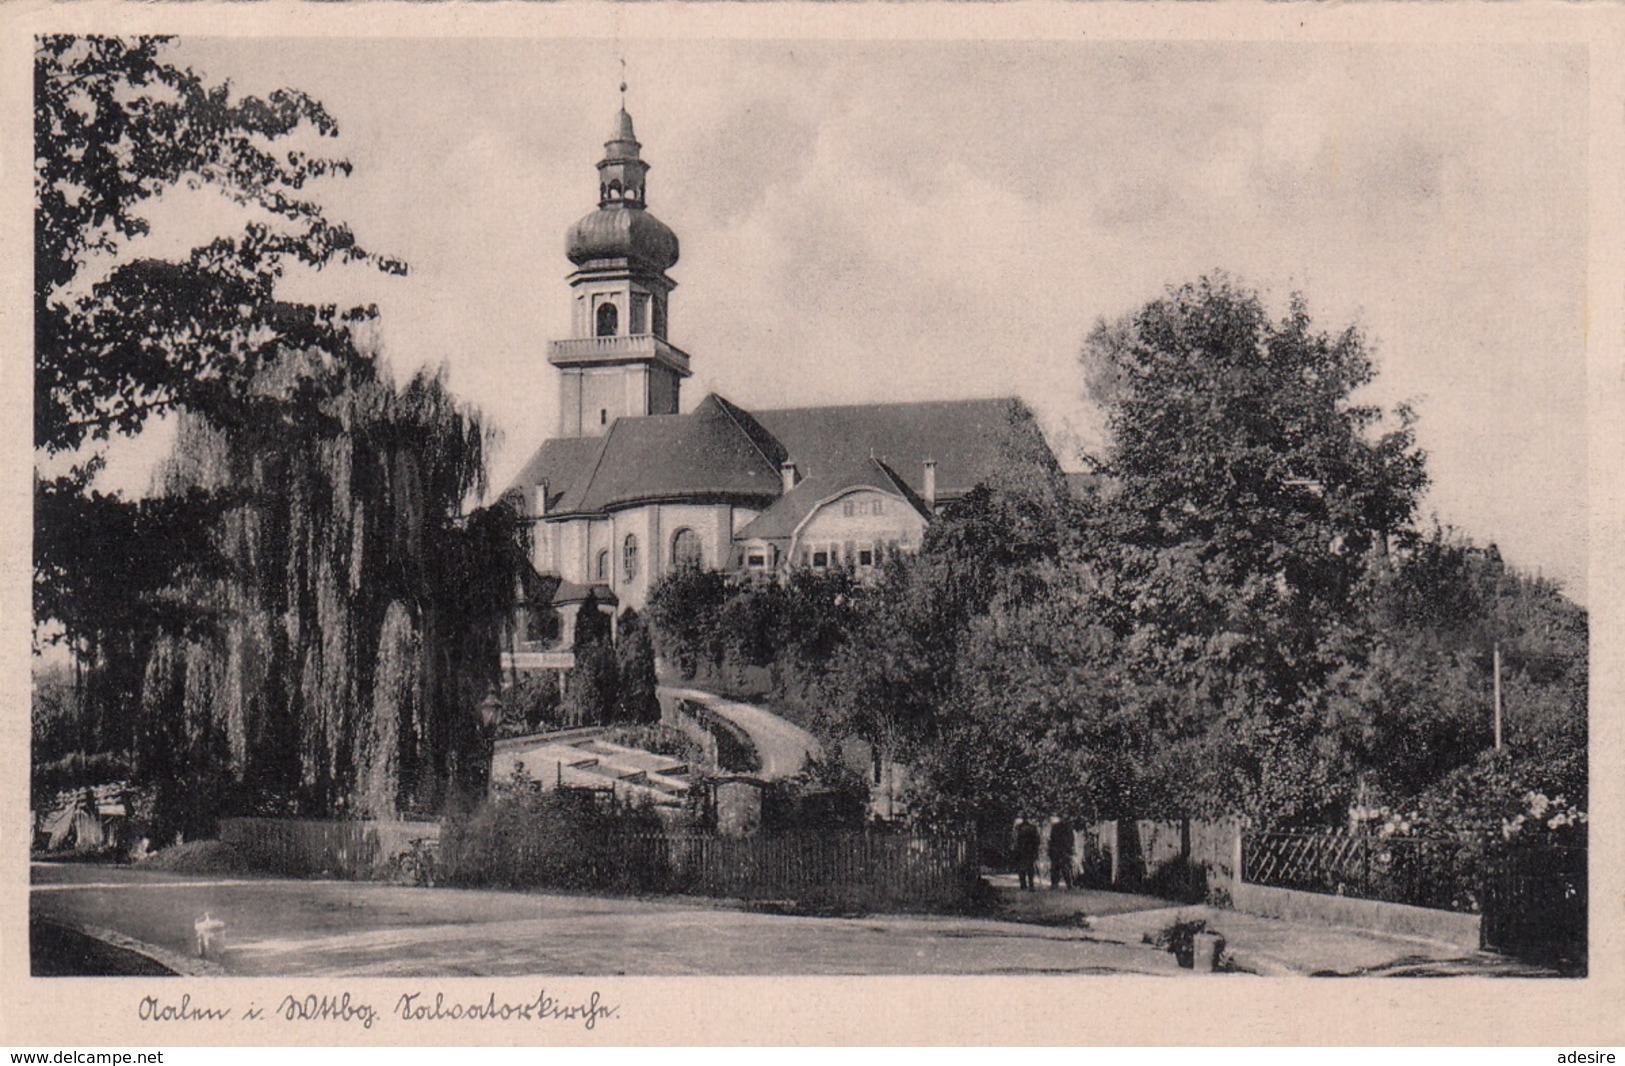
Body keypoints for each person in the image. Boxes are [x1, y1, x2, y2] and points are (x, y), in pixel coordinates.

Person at [1012, 816, 1041, 891]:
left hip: (1021, 851)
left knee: (1021, 868)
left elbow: (1015, 839)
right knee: (1030, 868)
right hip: (1030, 851)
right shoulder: (1033, 827)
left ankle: (1023, 884)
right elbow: (1037, 840)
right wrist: (1036, 851)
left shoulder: (1018, 828)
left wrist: (1015, 849)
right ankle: (1031, 885)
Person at [1047, 815, 1075, 890]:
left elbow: (1051, 840)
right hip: (1062, 850)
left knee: (1058, 868)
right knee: (1063, 868)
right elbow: (1071, 840)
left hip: (1058, 850)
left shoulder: (1056, 827)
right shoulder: (1068, 827)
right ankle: (1066, 884)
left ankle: (1057, 884)